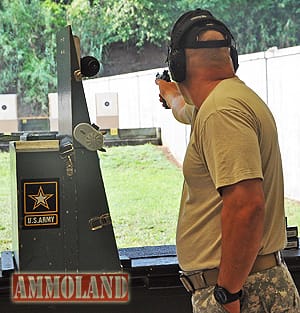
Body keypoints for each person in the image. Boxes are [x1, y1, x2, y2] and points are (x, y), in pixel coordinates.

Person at [156, 8, 300, 313]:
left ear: (178, 64)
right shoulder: (226, 102)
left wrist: (228, 295)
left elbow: (246, 207)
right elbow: (188, 111)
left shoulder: (222, 113)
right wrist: (171, 96)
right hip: (249, 285)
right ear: (230, 59)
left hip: (243, 291)